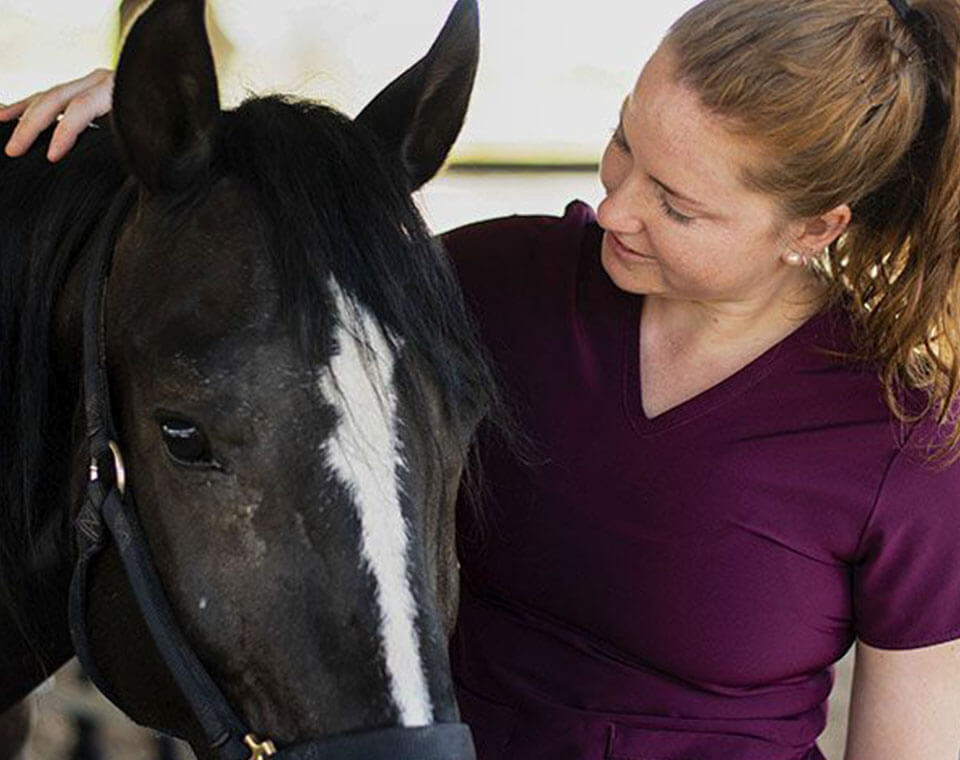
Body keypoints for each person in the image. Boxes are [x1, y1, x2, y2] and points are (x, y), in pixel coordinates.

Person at [5, 1, 960, 758]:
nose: (615, 204)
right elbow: (266, 269)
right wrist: (127, 142)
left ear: (814, 229)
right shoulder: (484, 288)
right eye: (625, 143)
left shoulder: (902, 441)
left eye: (677, 204)